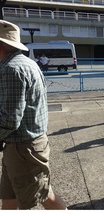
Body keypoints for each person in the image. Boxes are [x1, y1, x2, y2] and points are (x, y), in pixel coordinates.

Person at [0, 20, 67, 210]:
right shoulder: (28, 64)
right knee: (9, 199)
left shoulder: (10, 70)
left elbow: (10, 120)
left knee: (45, 196)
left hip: (22, 147)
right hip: (26, 144)